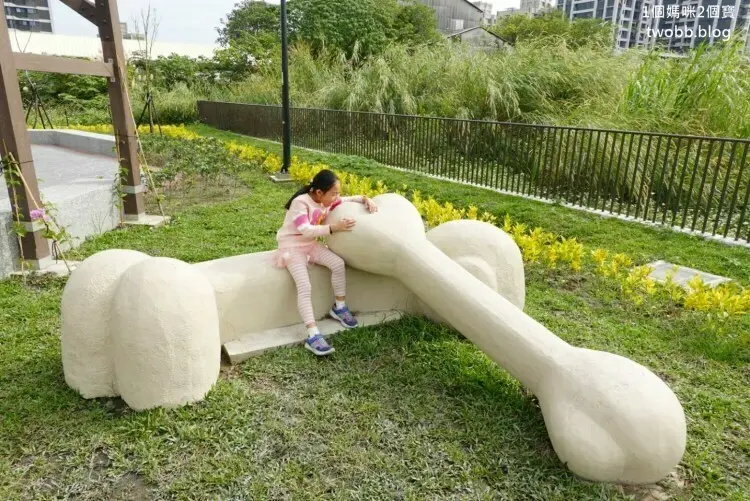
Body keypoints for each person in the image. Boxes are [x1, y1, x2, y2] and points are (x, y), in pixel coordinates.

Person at [272, 169, 378, 356]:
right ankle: (313, 334)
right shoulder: (300, 203)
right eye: (334, 193)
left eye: (338, 193)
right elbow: (305, 229)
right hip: (292, 248)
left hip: (310, 245)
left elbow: (346, 200)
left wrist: (364, 199)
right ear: (319, 192)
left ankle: (339, 308)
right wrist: (334, 228)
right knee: (304, 286)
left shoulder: (325, 200)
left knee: (337, 264)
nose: (337, 197)